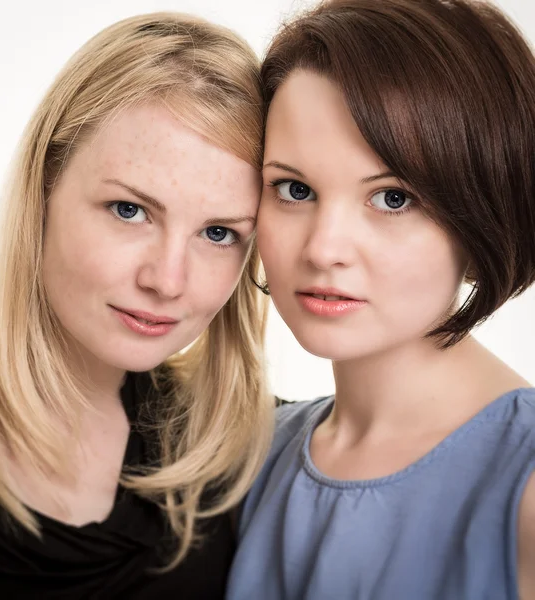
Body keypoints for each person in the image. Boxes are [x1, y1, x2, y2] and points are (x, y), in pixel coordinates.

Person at [0, 12, 273, 598]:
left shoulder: (235, 452)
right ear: (43, 187)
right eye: (129, 210)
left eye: (219, 233)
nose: (168, 281)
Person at [226, 0, 535, 598]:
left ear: (485, 211)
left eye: (393, 198)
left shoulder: (522, 485)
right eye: (294, 189)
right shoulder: (249, 455)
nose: (324, 249)